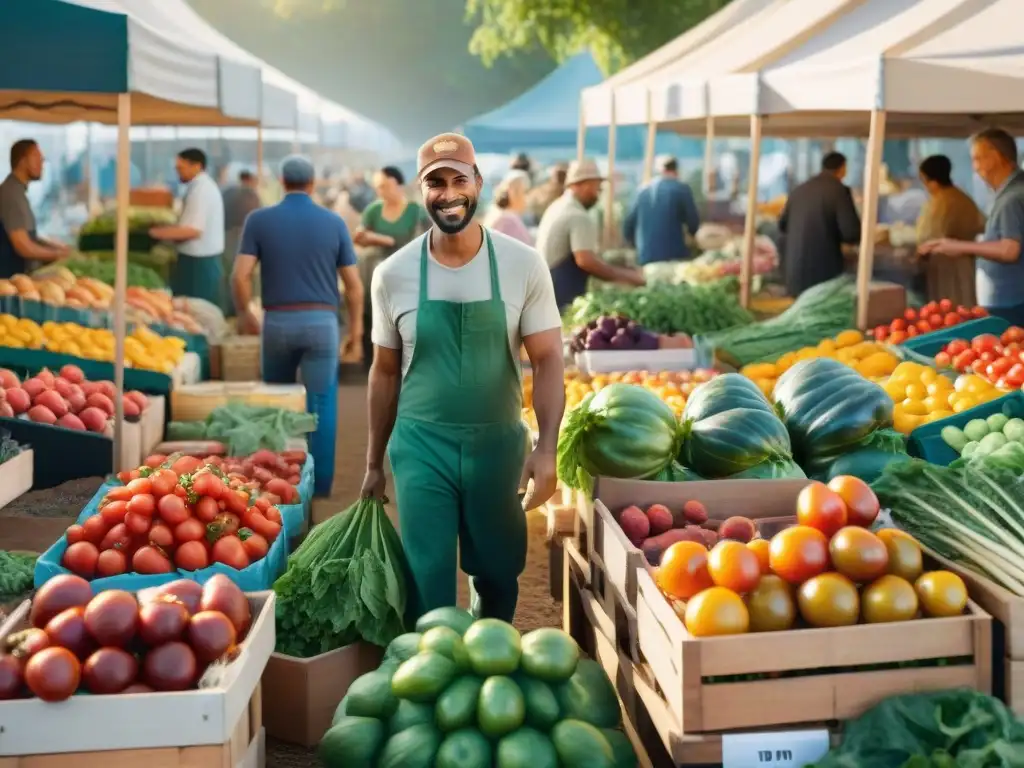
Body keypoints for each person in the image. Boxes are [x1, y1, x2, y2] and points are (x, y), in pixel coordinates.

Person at [361, 133, 565, 624]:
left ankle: (486, 659)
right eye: (436, 182)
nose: (448, 192)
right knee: (425, 574)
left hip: (497, 446)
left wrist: (547, 447)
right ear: (421, 190)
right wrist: (373, 461)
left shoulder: (523, 265)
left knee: (497, 571)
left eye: (459, 179)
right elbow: (384, 371)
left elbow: (549, 359)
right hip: (420, 446)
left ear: (478, 182)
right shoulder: (393, 274)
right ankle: (432, 672)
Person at [231, 155, 364, 498]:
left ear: (281, 180)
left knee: (277, 404)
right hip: (322, 324)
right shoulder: (334, 222)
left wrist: (246, 313)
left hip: (277, 322)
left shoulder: (258, 220)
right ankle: (319, 488)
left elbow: (240, 276)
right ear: (313, 183)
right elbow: (354, 285)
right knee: (321, 404)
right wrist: (357, 333)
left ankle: (280, 485)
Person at [920, 129, 1024, 324]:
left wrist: (957, 247)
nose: (975, 168)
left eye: (977, 159)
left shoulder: (1012, 198)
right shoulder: (1011, 192)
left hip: (1011, 301)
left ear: (994, 157)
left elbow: (1010, 249)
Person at [536, 158, 645, 310]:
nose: (599, 192)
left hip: (546, 289)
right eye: (597, 186)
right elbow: (585, 261)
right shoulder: (577, 215)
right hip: (560, 294)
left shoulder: (557, 206)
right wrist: (627, 277)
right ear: (584, 184)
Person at [353, 166, 429, 364]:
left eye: (385, 186)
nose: (381, 191)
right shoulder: (373, 210)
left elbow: (423, 243)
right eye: (378, 187)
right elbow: (360, 236)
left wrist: (389, 241)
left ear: (398, 184)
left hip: (406, 276)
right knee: (372, 314)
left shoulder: (415, 211)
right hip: (373, 273)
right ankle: (372, 360)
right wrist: (368, 237)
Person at [778, 151, 862, 297]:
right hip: (823, 276)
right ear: (842, 168)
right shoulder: (839, 191)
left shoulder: (799, 190)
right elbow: (851, 232)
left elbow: (782, 225)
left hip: (795, 274)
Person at [150, 148, 225, 306]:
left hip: (199, 264)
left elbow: (192, 230)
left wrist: (158, 233)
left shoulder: (202, 190)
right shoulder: (198, 187)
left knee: (198, 310)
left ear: (197, 166)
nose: (178, 173)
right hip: (195, 261)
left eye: (181, 168)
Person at [915, 155, 985, 306]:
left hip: (945, 267)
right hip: (965, 266)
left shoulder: (940, 202)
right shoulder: (963, 198)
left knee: (948, 312)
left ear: (931, 180)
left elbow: (926, 237)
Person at [0, 139, 69, 277]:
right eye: (36, 158)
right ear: (22, 161)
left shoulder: (17, 191)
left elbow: (27, 234)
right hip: (9, 283)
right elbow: (23, 245)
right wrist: (58, 255)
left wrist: (57, 247)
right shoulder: (11, 194)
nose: (42, 163)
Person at [623, 155, 701, 265]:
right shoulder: (682, 189)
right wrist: (693, 238)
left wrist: (634, 245)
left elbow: (628, 224)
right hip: (673, 254)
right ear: (676, 170)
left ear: (659, 171)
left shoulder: (642, 190)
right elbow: (693, 222)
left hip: (645, 255)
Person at [221, 170, 262, 315]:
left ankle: (229, 310)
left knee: (229, 275)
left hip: (225, 237)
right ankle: (245, 310)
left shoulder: (227, 192)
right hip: (243, 237)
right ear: (251, 180)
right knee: (245, 275)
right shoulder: (252, 195)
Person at [483, 170, 533, 245]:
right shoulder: (508, 220)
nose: (528, 198)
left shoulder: (497, 213)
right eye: (525, 192)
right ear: (513, 193)